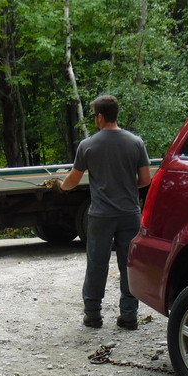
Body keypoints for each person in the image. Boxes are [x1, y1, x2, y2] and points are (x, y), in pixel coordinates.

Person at [52, 94, 152, 329]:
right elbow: (145, 179)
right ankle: (129, 316)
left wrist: (60, 186)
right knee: (129, 264)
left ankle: (93, 315)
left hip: (100, 215)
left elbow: (73, 179)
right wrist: (126, 186)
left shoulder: (88, 145)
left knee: (97, 264)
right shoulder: (136, 142)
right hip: (129, 213)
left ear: (100, 117)